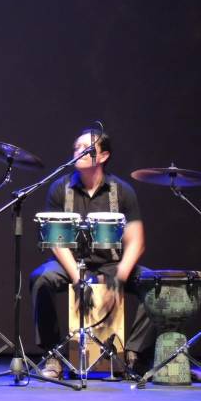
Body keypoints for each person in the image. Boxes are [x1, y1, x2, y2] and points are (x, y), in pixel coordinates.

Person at [29, 128, 155, 378]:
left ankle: (133, 355)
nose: (79, 152)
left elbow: (136, 240)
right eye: (76, 148)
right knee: (40, 278)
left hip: (112, 263)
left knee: (154, 284)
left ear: (104, 156)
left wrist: (120, 277)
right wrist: (77, 276)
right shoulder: (59, 188)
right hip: (70, 263)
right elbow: (57, 241)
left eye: (86, 148)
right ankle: (54, 355)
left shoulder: (121, 190)